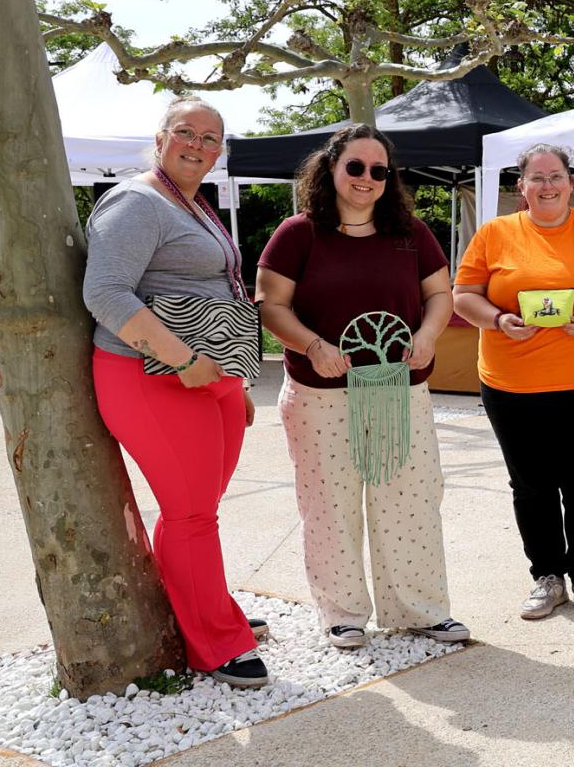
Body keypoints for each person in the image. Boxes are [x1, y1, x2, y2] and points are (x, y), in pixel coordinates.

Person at [256, 124, 470, 651]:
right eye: (355, 166)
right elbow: (271, 305)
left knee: (412, 500)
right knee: (329, 503)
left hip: (400, 389)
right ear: (331, 168)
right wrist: (313, 346)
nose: (366, 178)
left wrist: (427, 335)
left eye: (379, 170)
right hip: (320, 394)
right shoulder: (298, 233)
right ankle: (342, 613)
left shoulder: (411, 233)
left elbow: (440, 295)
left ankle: (421, 610)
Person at [82, 97, 269, 688]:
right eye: (186, 132)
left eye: (211, 138)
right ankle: (215, 643)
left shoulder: (190, 202)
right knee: (192, 513)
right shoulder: (136, 201)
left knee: (195, 511)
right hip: (151, 375)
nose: (198, 145)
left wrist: (230, 377)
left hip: (207, 375)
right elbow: (106, 292)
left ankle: (203, 610)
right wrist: (183, 358)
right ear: (161, 137)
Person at [453, 144, 574, 620]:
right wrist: (498, 320)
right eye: (536, 178)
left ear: (571, 182)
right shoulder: (495, 233)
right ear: (522, 186)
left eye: (555, 176)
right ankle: (548, 577)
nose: (547, 186)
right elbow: (464, 296)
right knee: (531, 486)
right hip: (512, 385)